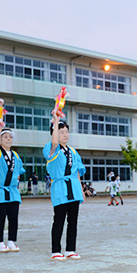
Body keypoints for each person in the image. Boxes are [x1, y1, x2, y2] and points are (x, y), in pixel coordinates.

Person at [44, 111, 86, 261]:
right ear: (54, 134)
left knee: (73, 221)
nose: (65, 134)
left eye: (66, 131)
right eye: (61, 132)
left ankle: (70, 249)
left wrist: (81, 190)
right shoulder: (51, 148)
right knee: (59, 219)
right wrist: (56, 121)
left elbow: (77, 172)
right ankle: (56, 250)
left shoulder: (73, 151)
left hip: (74, 188)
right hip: (60, 188)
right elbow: (55, 143)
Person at [0, 127, 26, 253]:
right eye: (5, 137)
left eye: (10, 137)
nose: (8, 139)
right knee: (0, 217)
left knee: (13, 217)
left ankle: (11, 241)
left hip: (13, 191)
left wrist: (17, 178)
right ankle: (0, 241)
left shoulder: (15, 155)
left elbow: (19, 170)